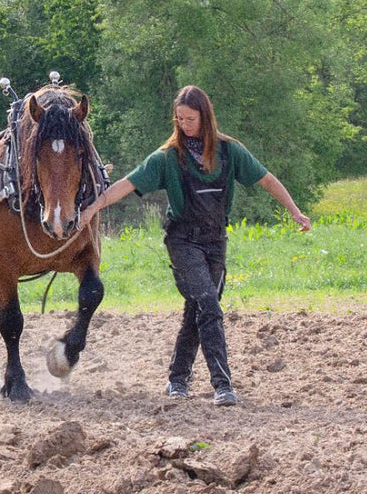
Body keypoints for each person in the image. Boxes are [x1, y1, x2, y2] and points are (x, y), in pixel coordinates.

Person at [80, 86, 311, 406]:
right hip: (182, 241)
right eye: (180, 119)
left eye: (190, 119)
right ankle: (222, 385)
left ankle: (178, 379)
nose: (184, 124)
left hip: (216, 241)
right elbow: (126, 184)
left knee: (198, 309)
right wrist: (92, 208)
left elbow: (267, 180)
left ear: (205, 116)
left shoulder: (231, 152)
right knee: (209, 306)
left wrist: (295, 211)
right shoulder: (166, 157)